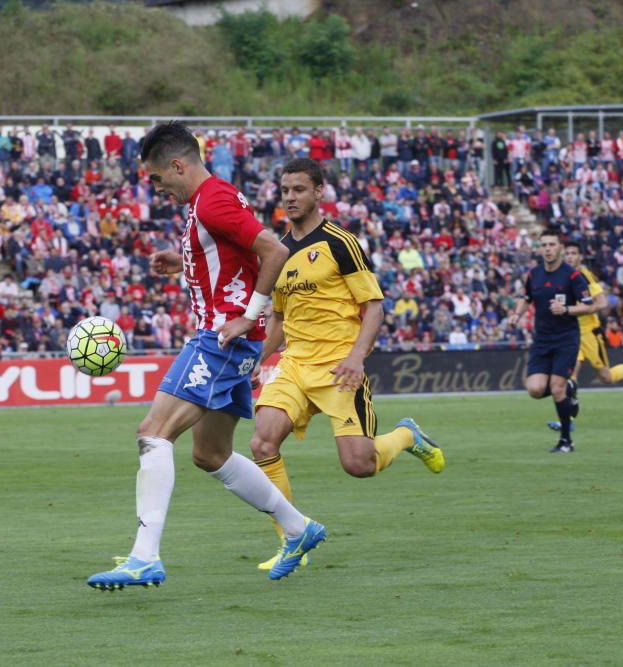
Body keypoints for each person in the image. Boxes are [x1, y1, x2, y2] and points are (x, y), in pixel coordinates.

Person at [87, 123, 325, 591]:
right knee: (210, 453)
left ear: (178, 165)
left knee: (153, 433)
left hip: (221, 339)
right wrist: (185, 258)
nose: (157, 188)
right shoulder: (212, 199)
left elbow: (273, 251)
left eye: (157, 178)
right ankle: (298, 529)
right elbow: (241, 250)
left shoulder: (211, 200)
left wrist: (247, 316)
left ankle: (143, 557)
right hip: (229, 337)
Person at [247, 158, 444, 570]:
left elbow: (373, 306)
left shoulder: (340, 242)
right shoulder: (279, 252)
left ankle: (407, 436)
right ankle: (293, 540)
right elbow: (280, 321)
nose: (290, 197)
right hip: (296, 364)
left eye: (299, 189)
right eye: (285, 190)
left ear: (319, 192)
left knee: (359, 464)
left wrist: (357, 356)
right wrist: (258, 358)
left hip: (339, 365)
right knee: (262, 442)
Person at [545, 242, 623, 432]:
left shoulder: (585, 276)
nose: (571, 257)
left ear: (580, 257)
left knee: (606, 377)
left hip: (589, 335)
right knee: (568, 380)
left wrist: (577, 308)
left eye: (574, 253)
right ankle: (567, 421)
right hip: (570, 336)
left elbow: (602, 302)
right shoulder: (561, 276)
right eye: (568, 254)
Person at [508, 230, 597, 453]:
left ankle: (566, 440)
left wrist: (566, 309)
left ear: (559, 248)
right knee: (535, 389)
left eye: (551, 245)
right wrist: (517, 315)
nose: (547, 249)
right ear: (539, 249)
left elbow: (590, 305)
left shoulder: (573, 276)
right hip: (542, 340)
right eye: (544, 245)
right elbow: (526, 298)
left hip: (566, 339)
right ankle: (570, 387)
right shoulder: (533, 275)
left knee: (556, 389)